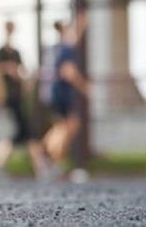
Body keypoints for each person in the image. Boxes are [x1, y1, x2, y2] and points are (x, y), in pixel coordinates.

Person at [0, 21, 48, 180]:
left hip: (18, 96)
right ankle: (41, 168)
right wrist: (7, 69)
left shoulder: (16, 52)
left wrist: (24, 74)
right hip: (10, 97)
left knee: (25, 133)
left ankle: (40, 168)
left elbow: (23, 71)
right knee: (26, 133)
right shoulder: (2, 52)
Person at [43, 13, 91, 180]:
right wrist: (85, 87)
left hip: (54, 93)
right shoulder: (67, 48)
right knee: (68, 126)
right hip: (61, 93)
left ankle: (51, 159)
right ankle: (51, 160)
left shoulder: (57, 48)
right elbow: (68, 71)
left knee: (63, 127)